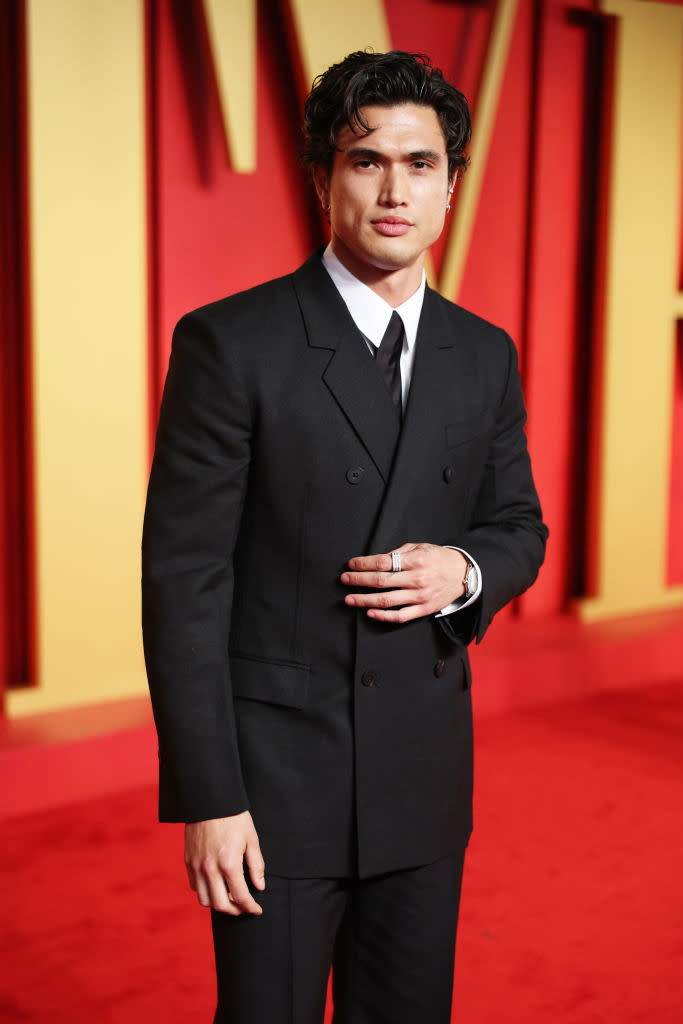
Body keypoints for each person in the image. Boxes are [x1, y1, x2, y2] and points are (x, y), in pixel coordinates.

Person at [142, 49, 548, 1024]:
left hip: (421, 781)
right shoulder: (229, 342)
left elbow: (518, 527)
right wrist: (208, 797)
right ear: (322, 179)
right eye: (366, 162)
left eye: (419, 164)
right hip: (272, 790)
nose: (394, 190)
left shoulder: (481, 353)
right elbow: (184, 578)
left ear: (452, 185)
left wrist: (464, 568)